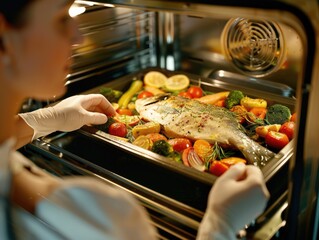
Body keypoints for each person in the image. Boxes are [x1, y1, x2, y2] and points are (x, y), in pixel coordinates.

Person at [0, 0, 270, 239]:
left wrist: (41, 120)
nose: (79, 36)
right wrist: (219, 228)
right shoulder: (107, 217)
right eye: (61, 18)